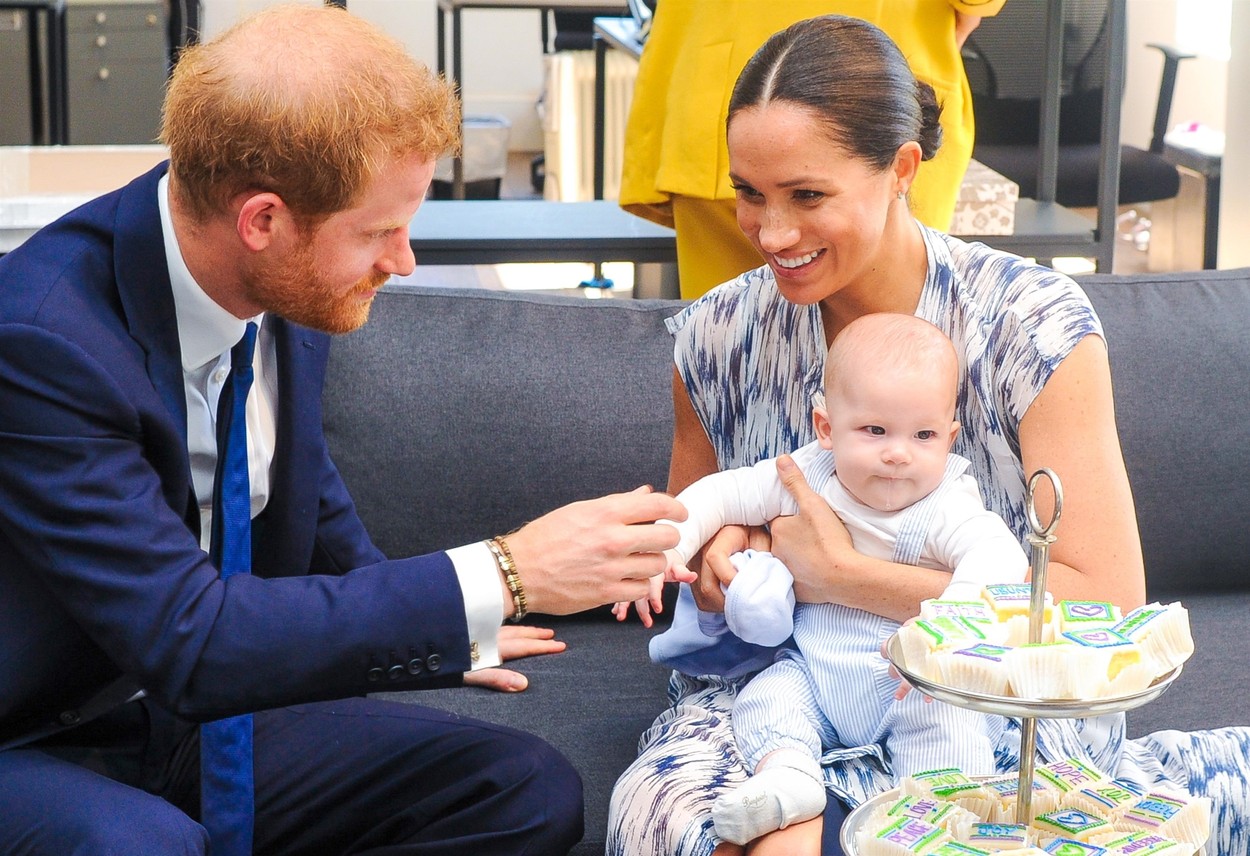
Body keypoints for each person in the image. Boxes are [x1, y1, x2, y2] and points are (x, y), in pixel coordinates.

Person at [0, 5, 690, 854]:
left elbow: (298, 479)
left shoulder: (283, 288)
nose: (402, 262)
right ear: (263, 220)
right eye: (379, 232)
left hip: (186, 715)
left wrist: (436, 627)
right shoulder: (43, 340)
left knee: (520, 791)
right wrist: (505, 573)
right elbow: (190, 639)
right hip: (37, 732)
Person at [606, 14, 1250, 856]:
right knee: (734, 837)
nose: (770, 234)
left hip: (990, 703)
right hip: (781, 694)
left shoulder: (1030, 324)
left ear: (902, 169)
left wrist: (841, 575)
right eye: (750, 193)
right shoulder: (716, 335)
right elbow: (694, 538)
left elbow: (1105, 605)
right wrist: (724, 549)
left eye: (807, 195)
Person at [616, 312, 1028, 845]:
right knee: (768, 697)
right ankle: (790, 778)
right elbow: (720, 495)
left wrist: (944, 634)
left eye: (923, 434)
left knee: (951, 725)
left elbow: (998, 560)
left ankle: (932, 821)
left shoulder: (947, 502)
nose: (898, 452)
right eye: (874, 430)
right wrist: (664, 548)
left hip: (912, 683)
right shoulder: (806, 474)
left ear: (949, 436)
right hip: (815, 673)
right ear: (827, 428)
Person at [618, 0, 1005, 299]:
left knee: (733, 359)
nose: (775, 235)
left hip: (713, 80)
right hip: (879, 89)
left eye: (809, 195)